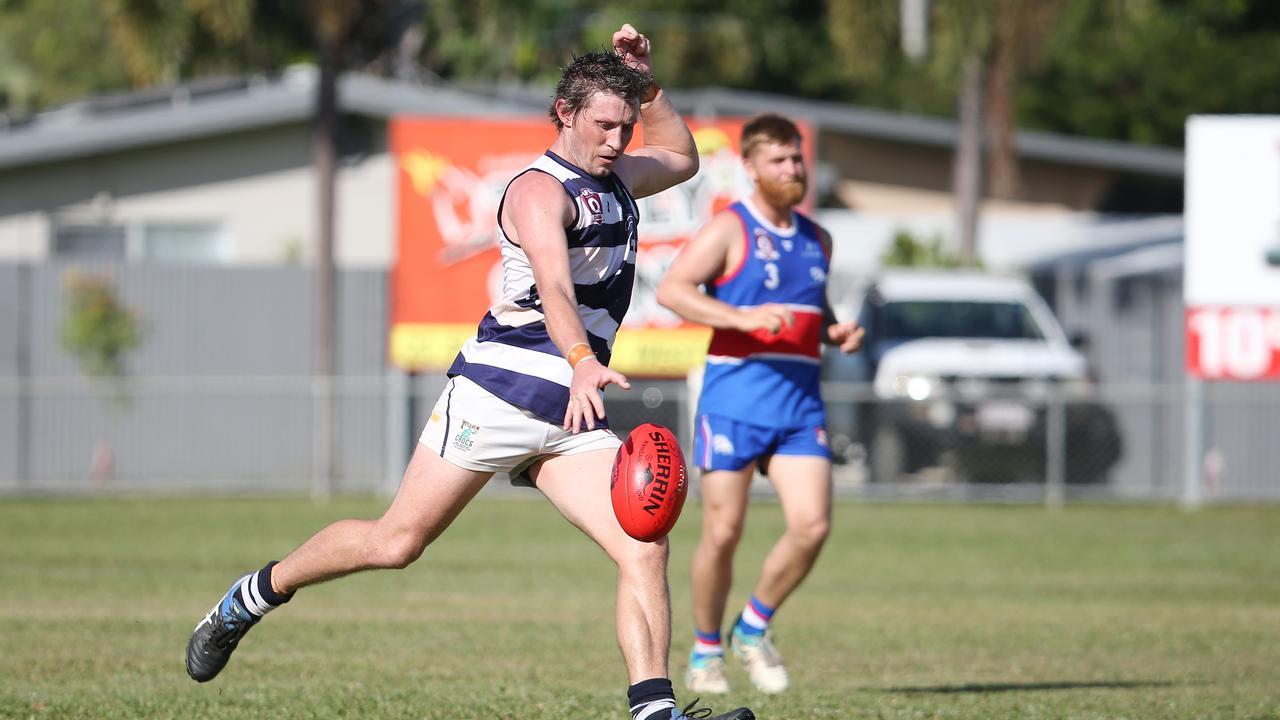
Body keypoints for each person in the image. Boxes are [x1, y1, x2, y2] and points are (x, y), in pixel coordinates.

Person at [185, 24, 753, 720]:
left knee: (644, 542)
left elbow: (680, 156)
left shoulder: (621, 176)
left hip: (572, 414)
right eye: (604, 124)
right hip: (500, 395)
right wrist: (580, 361)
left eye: (625, 124)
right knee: (396, 543)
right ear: (565, 115)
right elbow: (553, 285)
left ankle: (654, 711)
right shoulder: (538, 193)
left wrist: (648, 85)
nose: (617, 139)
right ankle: (252, 595)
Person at [656, 114, 864, 695]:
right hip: (735, 399)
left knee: (813, 526)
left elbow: (810, 313)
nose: (792, 168)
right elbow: (673, 289)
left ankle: (751, 628)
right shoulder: (730, 228)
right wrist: (740, 317)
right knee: (723, 532)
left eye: (796, 158)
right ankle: (704, 652)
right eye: (778, 160)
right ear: (750, 167)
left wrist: (835, 333)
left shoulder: (818, 237)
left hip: (799, 406)